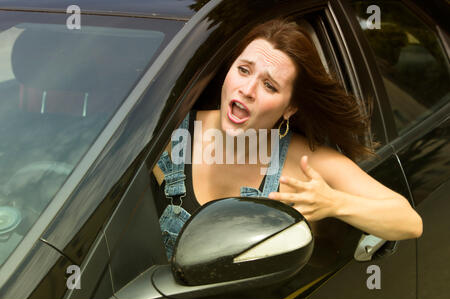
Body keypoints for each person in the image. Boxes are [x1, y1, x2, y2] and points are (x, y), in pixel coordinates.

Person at [152, 19, 423, 260]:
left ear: (290, 108)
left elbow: (408, 221)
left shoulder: (303, 162)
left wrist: (334, 203)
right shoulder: (168, 136)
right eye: (244, 70)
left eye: (269, 85)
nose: (247, 90)